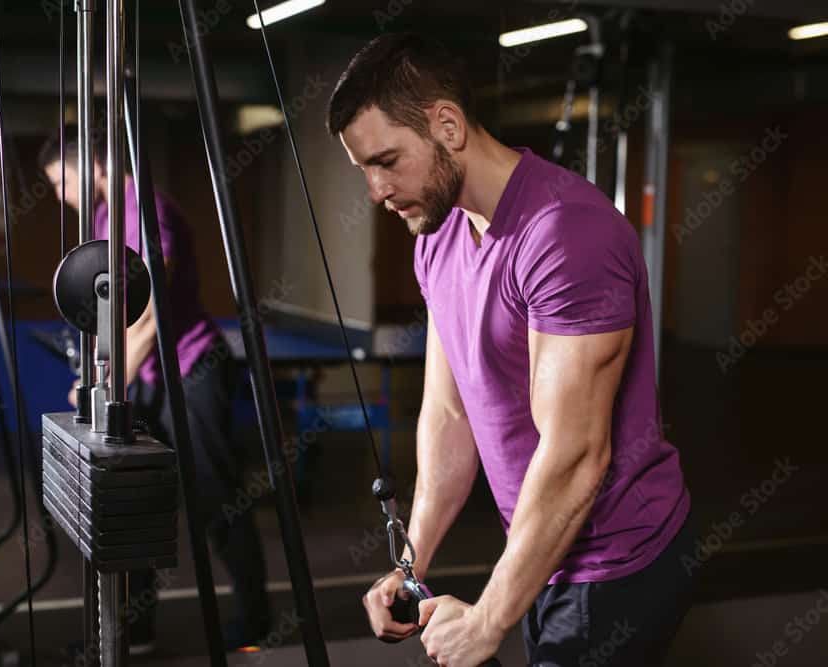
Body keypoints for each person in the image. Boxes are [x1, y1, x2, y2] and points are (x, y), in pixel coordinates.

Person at [327, 35, 696, 667]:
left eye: (387, 160)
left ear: (447, 124)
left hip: (615, 563)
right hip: (543, 548)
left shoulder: (564, 233)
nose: (376, 189)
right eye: (364, 168)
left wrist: (490, 618)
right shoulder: (436, 239)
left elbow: (578, 454)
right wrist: (412, 563)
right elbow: (450, 413)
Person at [38, 128, 271, 652]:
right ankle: (134, 630)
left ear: (93, 164)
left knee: (216, 499)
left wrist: (104, 384)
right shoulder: (102, 218)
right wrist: (98, 375)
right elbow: (112, 315)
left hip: (189, 370)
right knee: (133, 498)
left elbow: (147, 315)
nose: (59, 195)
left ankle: (258, 621)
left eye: (61, 181)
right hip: (144, 376)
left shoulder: (144, 208)